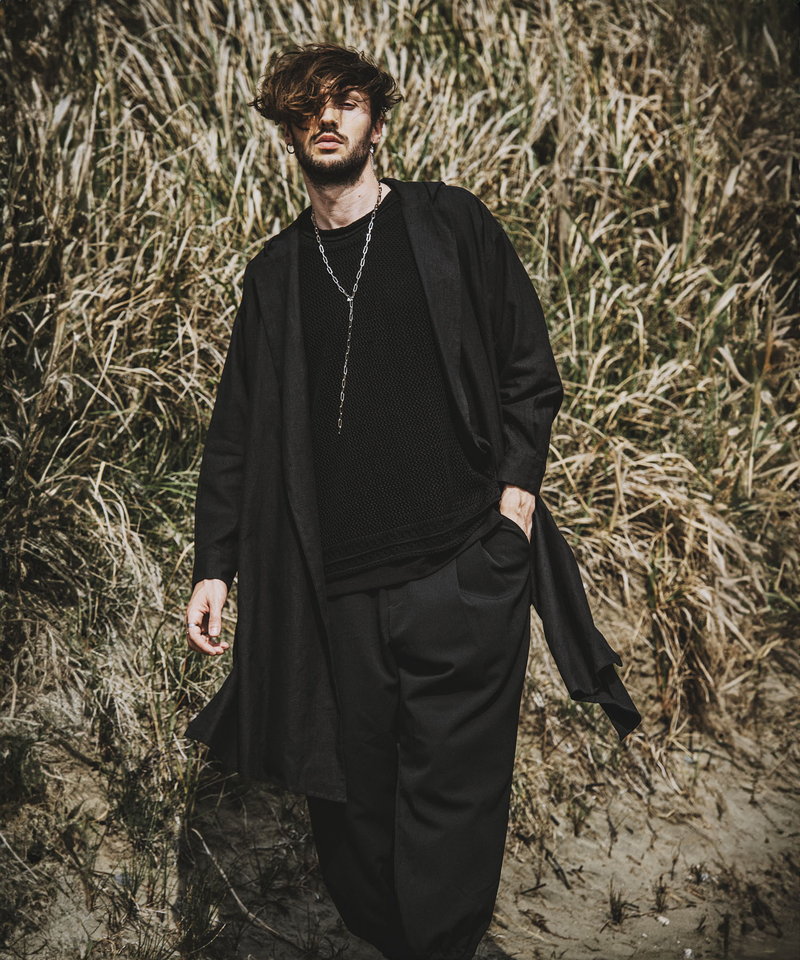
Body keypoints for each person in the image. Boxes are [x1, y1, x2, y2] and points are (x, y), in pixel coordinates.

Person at [184, 41, 640, 960]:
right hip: (339, 600)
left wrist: (512, 514)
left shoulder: (448, 225)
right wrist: (215, 567)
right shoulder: (275, 276)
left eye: (346, 102)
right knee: (353, 822)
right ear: (289, 132)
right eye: (307, 107)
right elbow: (236, 435)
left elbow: (529, 371)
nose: (327, 118)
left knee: (453, 808)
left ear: (377, 124)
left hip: (462, 574)